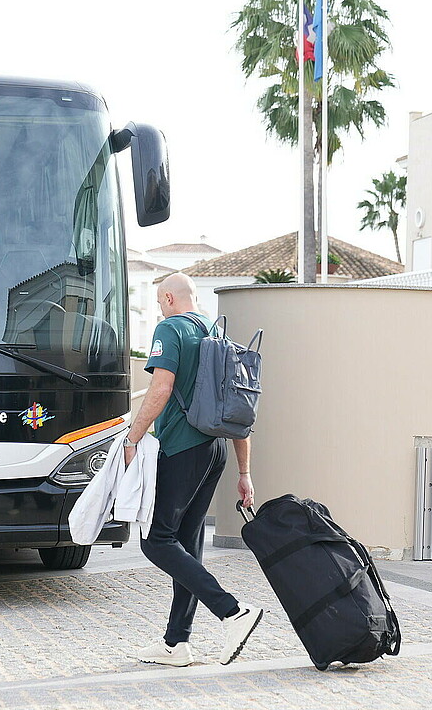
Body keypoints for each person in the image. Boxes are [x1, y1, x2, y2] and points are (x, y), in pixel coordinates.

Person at [125, 272, 263, 667]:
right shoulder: (217, 333)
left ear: (168, 297)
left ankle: (232, 612)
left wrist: (133, 438)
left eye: (157, 301)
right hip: (215, 450)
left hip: (183, 449)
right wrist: (244, 471)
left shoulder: (170, 329)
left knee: (156, 540)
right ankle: (177, 643)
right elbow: (239, 407)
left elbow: (161, 388)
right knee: (187, 543)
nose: (158, 308)